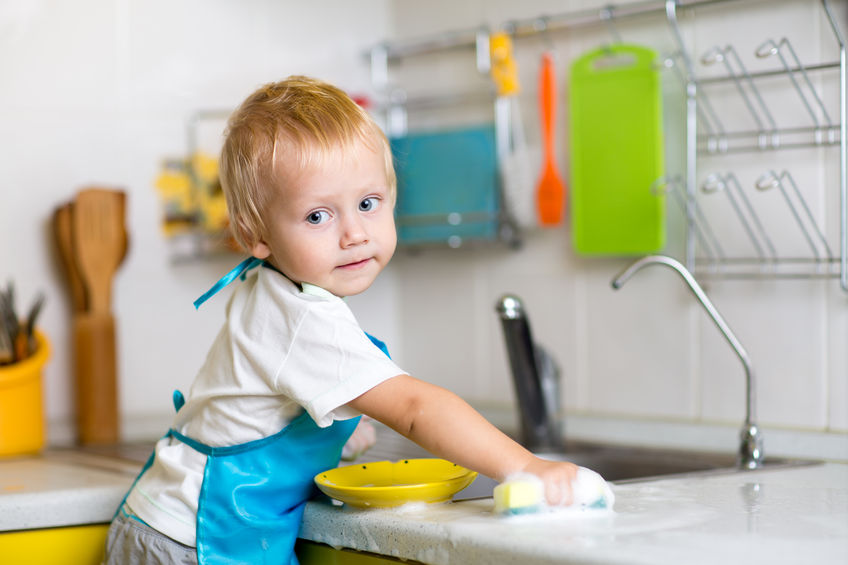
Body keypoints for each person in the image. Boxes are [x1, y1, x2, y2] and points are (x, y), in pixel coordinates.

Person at [102, 75, 578, 565]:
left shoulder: (270, 287)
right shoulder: (304, 318)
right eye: (317, 216)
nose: (354, 233)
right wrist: (526, 466)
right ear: (255, 235)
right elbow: (414, 408)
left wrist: (336, 430)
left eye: (368, 204)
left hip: (160, 525)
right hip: (198, 541)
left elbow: (258, 404)